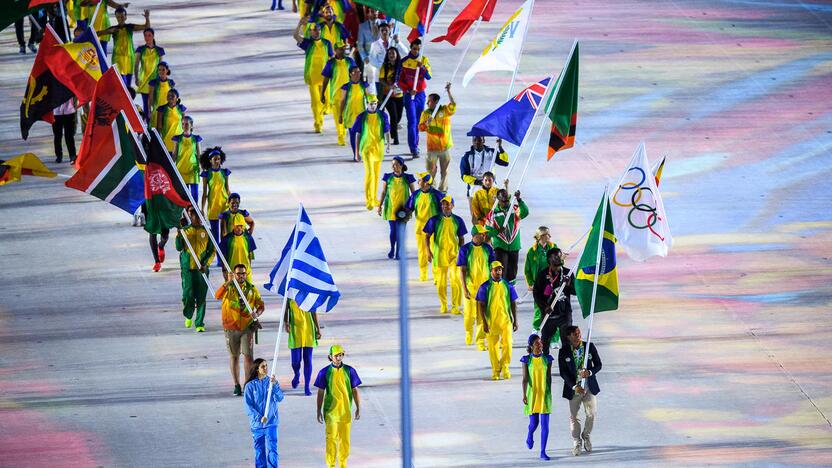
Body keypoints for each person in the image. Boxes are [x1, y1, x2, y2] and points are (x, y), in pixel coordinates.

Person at [216, 263, 265, 396]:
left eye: (243, 273)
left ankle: (248, 384)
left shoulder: (252, 289)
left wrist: (257, 314)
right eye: (238, 274)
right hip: (230, 327)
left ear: (246, 274)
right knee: (234, 356)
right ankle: (236, 384)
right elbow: (217, 295)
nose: (241, 276)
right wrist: (228, 282)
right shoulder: (228, 287)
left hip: (246, 327)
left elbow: (261, 305)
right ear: (234, 274)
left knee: (248, 356)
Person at [315, 345, 362, 468]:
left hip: (345, 412)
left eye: (341, 355)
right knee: (331, 440)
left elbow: (355, 390)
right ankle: (330, 465)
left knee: (345, 441)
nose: (339, 357)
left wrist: (358, 408)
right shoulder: (324, 372)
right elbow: (321, 392)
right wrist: (318, 410)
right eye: (336, 355)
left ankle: (342, 464)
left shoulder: (350, 371)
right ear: (330, 357)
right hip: (330, 413)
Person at [558, 325, 601, 456]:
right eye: (575, 334)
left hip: (589, 387)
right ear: (568, 337)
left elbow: (598, 365)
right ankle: (577, 441)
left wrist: (590, 371)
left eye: (579, 333)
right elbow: (563, 373)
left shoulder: (589, 347)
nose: (578, 336)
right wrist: (573, 386)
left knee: (591, 414)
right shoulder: (564, 351)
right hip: (574, 389)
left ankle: (586, 435)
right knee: (574, 417)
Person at [423, 196, 467, 315]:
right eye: (443, 204)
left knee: (456, 280)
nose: (445, 206)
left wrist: (461, 252)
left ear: (452, 206)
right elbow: (426, 236)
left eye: (448, 204)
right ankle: (443, 304)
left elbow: (461, 238)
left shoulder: (458, 220)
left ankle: (455, 306)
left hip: (454, 255)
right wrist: (428, 251)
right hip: (439, 255)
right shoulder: (434, 220)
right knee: (441, 283)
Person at [175, 205, 215, 332]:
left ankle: (199, 323)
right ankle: (188, 314)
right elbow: (178, 247)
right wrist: (178, 232)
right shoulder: (185, 231)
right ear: (190, 217)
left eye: (199, 216)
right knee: (188, 294)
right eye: (194, 215)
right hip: (188, 268)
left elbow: (212, 250)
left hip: (201, 270)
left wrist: (206, 264)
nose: (197, 218)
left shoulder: (207, 232)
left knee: (201, 296)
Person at [477, 261, 519, 380]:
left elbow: (513, 302)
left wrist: (515, 320)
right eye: (496, 270)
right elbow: (481, 305)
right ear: (491, 271)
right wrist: (484, 323)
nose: (498, 272)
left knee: (508, 344)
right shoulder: (484, 287)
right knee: (493, 347)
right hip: (491, 322)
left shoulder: (508, 285)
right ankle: (495, 369)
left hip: (505, 320)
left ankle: (505, 366)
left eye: (500, 269)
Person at [457, 225, 495, 349]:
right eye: (481, 234)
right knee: (469, 315)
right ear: (474, 235)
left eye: (484, 234)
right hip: (471, 287)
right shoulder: (465, 249)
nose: (484, 236)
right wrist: (464, 289)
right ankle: (468, 331)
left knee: (482, 315)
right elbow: (462, 270)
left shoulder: (488, 248)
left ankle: (480, 340)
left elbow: (493, 267)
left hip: (484, 288)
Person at [294, 18, 333, 133]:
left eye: (319, 30)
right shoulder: (308, 44)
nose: (317, 32)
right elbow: (296, 36)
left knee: (326, 102)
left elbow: (331, 59)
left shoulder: (327, 43)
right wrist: (300, 25)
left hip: (325, 79)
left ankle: (325, 110)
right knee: (316, 103)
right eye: (314, 30)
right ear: (310, 32)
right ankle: (318, 123)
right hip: (313, 79)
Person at [533, 248, 574, 353]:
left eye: (560, 255)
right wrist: (544, 307)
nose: (559, 258)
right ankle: (545, 367)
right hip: (548, 315)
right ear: (549, 259)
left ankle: (566, 365)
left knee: (567, 343)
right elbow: (536, 293)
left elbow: (575, 292)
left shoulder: (567, 273)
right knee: (545, 343)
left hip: (564, 314)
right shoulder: (542, 275)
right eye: (556, 256)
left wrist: (569, 285)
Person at [244, 358, 284, 468]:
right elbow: (248, 407)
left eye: (266, 365)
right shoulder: (250, 386)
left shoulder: (271, 383)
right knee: (259, 450)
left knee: (272, 450)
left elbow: (280, 398)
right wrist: (259, 417)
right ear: (257, 369)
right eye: (263, 366)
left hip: (271, 422)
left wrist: (275, 385)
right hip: (257, 425)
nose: (266, 368)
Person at [351, 95, 389, 209]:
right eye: (370, 103)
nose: (373, 106)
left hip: (378, 149)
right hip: (366, 149)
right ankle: (369, 200)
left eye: (375, 103)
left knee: (377, 175)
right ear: (366, 103)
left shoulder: (382, 115)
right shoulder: (362, 117)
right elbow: (357, 134)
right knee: (370, 174)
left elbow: (386, 131)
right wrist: (357, 153)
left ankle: (374, 198)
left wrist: (388, 144)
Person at [485, 186, 529, 284]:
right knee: (501, 271)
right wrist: (497, 231)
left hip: (514, 246)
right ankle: (500, 291)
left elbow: (525, 213)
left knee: (512, 272)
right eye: (503, 201)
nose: (506, 202)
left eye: (507, 200)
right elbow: (487, 232)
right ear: (498, 200)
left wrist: (519, 200)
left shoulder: (514, 208)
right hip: (500, 247)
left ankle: (511, 293)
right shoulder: (492, 214)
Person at [418, 82, 456, 192]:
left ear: (435, 102)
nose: (427, 103)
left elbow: (453, 105)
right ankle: (431, 188)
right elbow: (420, 128)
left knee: (444, 171)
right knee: (430, 170)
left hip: (444, 147)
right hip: (432, 149)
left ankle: (442, 190)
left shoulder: (444, 110)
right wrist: (426, 123)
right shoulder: (425, 113)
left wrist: (448, 91)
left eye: (429, 101)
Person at [98, 7, 150, 86]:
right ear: (116, 18)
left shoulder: (130, 27)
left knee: (128, 86)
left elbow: (147, 27)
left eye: (122, 16)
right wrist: (108, 31)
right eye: (118, 17)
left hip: (129, 59)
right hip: (118, 60)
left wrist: (147, 18)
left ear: (125, 17)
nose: (120, 18)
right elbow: (97, 34)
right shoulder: (113, 29)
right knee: (121, 83)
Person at [405, 172, 442, 282]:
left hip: (434, 230)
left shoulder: (437, 195)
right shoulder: (415, 194)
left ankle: (437, 276)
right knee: (422, 252)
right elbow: (409, 208)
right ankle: (423, 274)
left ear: (426, 183)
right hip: (420, 229)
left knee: (435, 252)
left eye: (420, 180)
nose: (418, 182)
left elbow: (443, 212)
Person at [521, 334, 553, 461]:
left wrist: (549, 393)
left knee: (545, 425)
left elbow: (549, 377)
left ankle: (543, 451)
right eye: (537, 344)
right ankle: (530, 434)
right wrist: (524, 395)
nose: (540, 346)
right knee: (534, 423)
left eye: (541, 343)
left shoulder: (547, 359)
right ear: (531, 346)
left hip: (545, 395)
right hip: (532, 394)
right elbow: (524, 379)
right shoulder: (526, 360)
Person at [397, 39, 431, 158]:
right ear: (410, 48)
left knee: (418, 122)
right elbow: (398, 80)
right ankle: (413, 148)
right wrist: (407, 90)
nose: (416, 51)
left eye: (418, 49)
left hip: (420, 95)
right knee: (411, 121)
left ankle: (415, 144)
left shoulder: (424, 60)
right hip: (409, 95)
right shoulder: (404, 62)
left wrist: (422, 68)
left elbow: (429, 77)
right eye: (414, 48)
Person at [377, 156, 415, 259]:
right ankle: (392, 249)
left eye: (396, 165)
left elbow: (413, 194)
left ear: (401, 166)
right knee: (393, 230)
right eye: (393, 165)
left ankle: (399, 251)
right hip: (391, 208)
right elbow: (383, 192)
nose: (394, 167)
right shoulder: (387, 177)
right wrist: (379, 205)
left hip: (403, 209)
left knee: (401, 231)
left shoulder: (408, 178)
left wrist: (413, 207)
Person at [525, 227, 559, 331]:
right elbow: (527, 270)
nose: (548, 237)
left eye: (549, 234)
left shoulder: (553, 248)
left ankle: (554, 337)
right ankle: (536, 328)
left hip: (552, 282)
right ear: (539, 237)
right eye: (546, 235)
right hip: (539, 284)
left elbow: (559, 264)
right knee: (539, 307)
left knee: (554, 307)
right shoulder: (532, 251)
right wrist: (530, 283)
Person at [285, 299, 322, 396]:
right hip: (295, 329)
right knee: (295, 361)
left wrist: (318, 328)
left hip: (309, 329)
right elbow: (285, 310)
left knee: (308, 360)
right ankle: (297, 374)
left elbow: (314, 312)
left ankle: (307, 386)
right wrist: (286, 322)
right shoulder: (290, 293)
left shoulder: (310, 293)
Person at [321, 43, 356, 143]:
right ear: (335, 50)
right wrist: (322, 93)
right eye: (340, 49)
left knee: (347, 115)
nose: (342, 51)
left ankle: (345, 131)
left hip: (349, 94)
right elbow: (326, 79)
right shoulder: (331, 63)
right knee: (338, 116)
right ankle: (341, 135)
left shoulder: (350, 61)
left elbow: (356, 75)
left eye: (343, 49)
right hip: (336, 95)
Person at [199, 147, 231, 254]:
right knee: (215, 236)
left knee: (224, 234)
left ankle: (223, 258)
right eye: (215, 159)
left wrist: (232, 204)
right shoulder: (207, 174)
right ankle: (217, 257)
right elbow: (204, 193)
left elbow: (227, 189)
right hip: (213, 207)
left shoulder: (224, 173)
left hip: (224, 206)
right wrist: (202, 208)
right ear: (210, 160)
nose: (217, 161)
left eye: (218, 159)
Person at [368, 22, 408, 96]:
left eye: (386, 30)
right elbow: (372, 60)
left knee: (396, 98)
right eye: (382, 30)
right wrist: (385, 65)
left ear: (389, 31)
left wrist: (398, 42)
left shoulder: (394, 42)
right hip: (381, 76)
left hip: (394, 76)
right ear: (379, 32)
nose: (384, 32)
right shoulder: (374, 44)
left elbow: (406, 52)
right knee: (381, 98)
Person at [134, 28, 165, 122]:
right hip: (144, 81)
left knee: (156, 104)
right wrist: (136, 78)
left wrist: (162, 79)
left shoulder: (159, 50)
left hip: (155, 80)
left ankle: (156, 125)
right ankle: (148, 126)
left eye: (149, 35)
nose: (147, 38)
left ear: (153, 36)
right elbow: (136, 64)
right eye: (145, 35)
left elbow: (162, 66)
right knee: (146, 105)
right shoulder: (141, 49)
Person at [339, 66, 370, 153]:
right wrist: (340, 115)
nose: (357, 74)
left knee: (363, 134)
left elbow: (369, 98)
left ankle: (362, 151)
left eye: (359, 72)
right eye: (355, 72)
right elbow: (342, 101)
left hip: (362, 115)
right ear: (350, 74)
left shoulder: (364, 85)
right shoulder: (346, 87)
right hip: (350, 115)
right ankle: (356, 154)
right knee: (353, 135)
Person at [172, 116, 202, 201]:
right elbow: (174, 154)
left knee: (194, 196)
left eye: (186, 124)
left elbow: (199, 154)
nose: (184, 126)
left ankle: (194, 213)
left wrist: (201, 166)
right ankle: (185, 214)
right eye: (183, 124)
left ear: (191, 125)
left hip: (193, 169)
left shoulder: (196, 139)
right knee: (183, 196)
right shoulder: (177, 138)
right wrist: (170, 167)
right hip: (181, 169)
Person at [219, 214, 257, 282]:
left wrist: (249, 269)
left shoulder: (248, 238)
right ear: (233, 226)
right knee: (232, 291)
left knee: (247, 291)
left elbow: (250, 255)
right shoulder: (227, 239)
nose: (239, 228)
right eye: (237, 226)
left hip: (246, 272)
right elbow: (223, 255)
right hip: (231, 272)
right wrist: (224, 270)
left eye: (241, 226)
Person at [378, 46, 404, 145]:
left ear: (397, 54)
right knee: (393, 116)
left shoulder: (401, 66)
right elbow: (381, 79)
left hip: (399, 95)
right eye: (389, 53)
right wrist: (389, 85)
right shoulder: (385, 66)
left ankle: (392, 129)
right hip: (388, 95)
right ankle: (395, 138)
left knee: (399, 116)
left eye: (393, 53)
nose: (391, 55)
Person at [148, 62, 175, 128]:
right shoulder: (153, 82)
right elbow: (150, 98)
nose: (161, 71)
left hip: (167, 110)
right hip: (156, 110)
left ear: (167, 70)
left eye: (163, 69)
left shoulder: (171, 82)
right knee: (155, 129)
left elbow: (173, 97)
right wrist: (149, 111)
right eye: (159, 70)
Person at [51, 98, 77, 164]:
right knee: (57, 136)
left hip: (69, 111)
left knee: (69, 136)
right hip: (56, 113)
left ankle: (72, 156)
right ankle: (59, 155)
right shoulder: (53, 87)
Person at [354, 7, 378, 79]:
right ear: (368, 14)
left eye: (376, 11)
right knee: (369, 81)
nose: (375, 13)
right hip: (368, 58)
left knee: (380, 81)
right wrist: (365, 58)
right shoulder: (362, 26)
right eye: (372, 11)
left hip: (381, 58)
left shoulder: (384, 23)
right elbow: (360, 45)